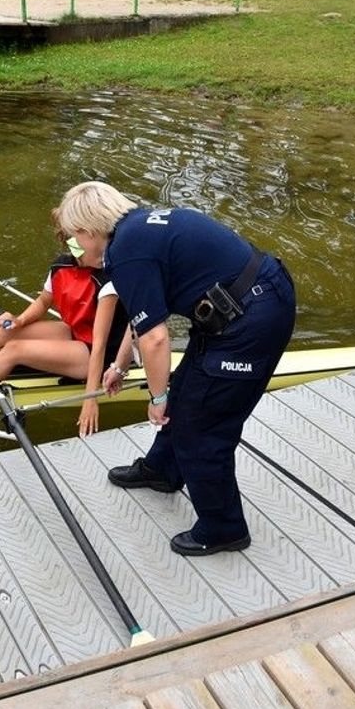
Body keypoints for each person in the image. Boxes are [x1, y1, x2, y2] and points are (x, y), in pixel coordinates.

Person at [55, 181, 295, 556]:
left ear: (89, 231)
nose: (74, 249)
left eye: (73, 241)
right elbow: (142, 315)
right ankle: (163, 470)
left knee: (202, 426)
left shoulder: (127, 252)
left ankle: (223, 527)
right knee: (188, 393)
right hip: (235, 309)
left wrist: (157, 396)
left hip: (251, 320)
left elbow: (155, 340)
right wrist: (118, 365)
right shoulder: (138, 229)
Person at [0, 222, 133, 437]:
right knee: (2, 328)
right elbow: (44, 302)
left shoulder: (107, 282)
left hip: (102, 354)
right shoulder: (60, 267)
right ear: (76, 247)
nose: (106, 256)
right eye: (100, 250)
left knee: (15, 349)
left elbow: (100, 344)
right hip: (76, 333)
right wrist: (20, 320)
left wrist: (90, 399)